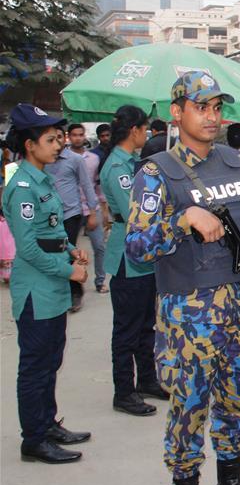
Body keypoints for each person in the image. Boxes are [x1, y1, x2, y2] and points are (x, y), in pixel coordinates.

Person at [125, 71, 240, 485]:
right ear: (177, 113)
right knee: (189, 410)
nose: (212, 116)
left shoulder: (238, 165)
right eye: (201, 107)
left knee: (238, 402)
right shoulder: (156, 173)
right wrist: (182, 219)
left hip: (238, 311)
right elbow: (136, 247)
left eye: (217, 107)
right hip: (185, 318)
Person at [2, 104, 92, 464]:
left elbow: (49, 231)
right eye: (51, 140)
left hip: (51, 288)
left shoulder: (43, 179)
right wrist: (68, 271)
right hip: (36, 290)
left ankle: (47, 423)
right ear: (29, 145)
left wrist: (72, 250)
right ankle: (33, 440)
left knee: (51, 360)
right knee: (36, 366)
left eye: (59, 139)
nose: (59, 146)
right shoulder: (22, 186)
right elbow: (27, 249)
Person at [100, 105, 169, 418]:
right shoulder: (118, 168)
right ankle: (123, 392)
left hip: (144, 257)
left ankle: (147, 380)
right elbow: (135, 212)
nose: (146, 134)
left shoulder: (133, 164)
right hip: (128, 257)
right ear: (135, 130)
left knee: (146, 325)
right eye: (143, 129)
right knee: (126, 328)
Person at [44, 123, 99, 311]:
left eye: (58, 137)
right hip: (49, 215)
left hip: (70, 214)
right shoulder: (45, 160)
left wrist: (92, 212)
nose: (56, 142)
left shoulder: (75, 159)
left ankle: (75, 292)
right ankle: (58, 292)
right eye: (52, 138)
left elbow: (86, 184)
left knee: (67, 253)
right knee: (51, 253)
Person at [80, 129, 109, 294]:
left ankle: (100, 281)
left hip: (92, 208)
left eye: (80, 134)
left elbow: (97, 185)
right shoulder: (61, 159)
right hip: (71, 211)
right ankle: (74, 288)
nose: (77, 138)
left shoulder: (94, 158)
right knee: (70, 251)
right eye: (74, 135)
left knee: (99, 246)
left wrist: (102, 209)